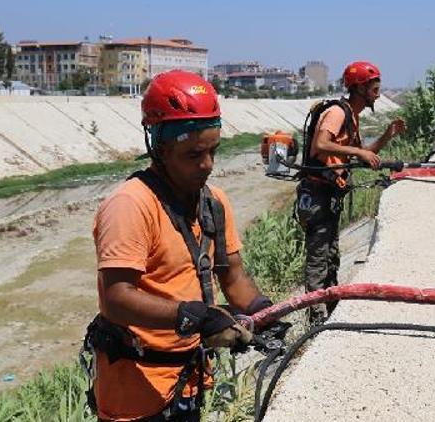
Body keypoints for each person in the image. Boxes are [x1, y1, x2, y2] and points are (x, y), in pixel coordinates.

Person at [83, 70, 274, 421]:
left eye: (214, 151)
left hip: (188, 380)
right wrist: (196, 317)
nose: (208, 165)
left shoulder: (212, 202)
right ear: (161, 148)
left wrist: (267, 313)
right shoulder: (131, 205)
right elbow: (116, 299)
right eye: (193, 154)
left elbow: (231, 276)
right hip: (136, 392)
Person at [296, 61, 406, 324]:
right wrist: (359, 151)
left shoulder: (352, 117)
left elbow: (364, 157)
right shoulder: (337, 112)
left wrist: (386, 137)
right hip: (317, 194)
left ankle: (331, 312)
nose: (378, 93)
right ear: (359, 88)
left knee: (331, 256)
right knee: (318, 257)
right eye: (375, 88)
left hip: (329, 196)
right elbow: (320, 145)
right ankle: (315, 319)